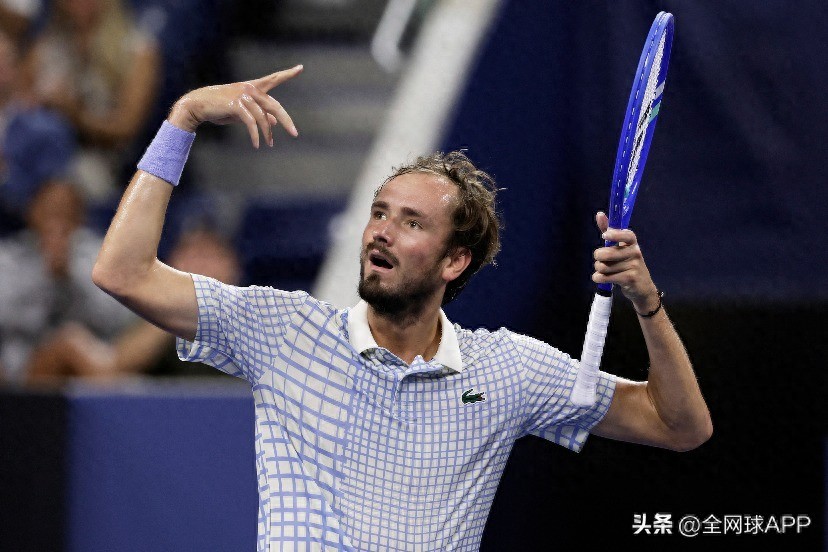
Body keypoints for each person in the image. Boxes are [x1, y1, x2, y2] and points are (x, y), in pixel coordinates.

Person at [92, 66, 712, 551]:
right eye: (379, 213)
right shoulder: (283, 330)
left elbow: (679, 425)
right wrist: (185, 117)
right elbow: (122, 272)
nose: (380, 233)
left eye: (411, 222)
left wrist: (647, 303)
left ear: (454, 261)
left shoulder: (506, 372)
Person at [18, 0, 160, 201]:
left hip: (104, 161)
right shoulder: (49, 42)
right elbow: (19, 99)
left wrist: (76, 115)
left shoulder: (137, 48)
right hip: (42, 149)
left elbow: (125, 128)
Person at [0, 177, 138, 383]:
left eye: (64, 210)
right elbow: (6, 318)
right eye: (49, 210)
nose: (56, 218)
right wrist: (47, 278)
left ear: (79, 216)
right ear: (31, 211)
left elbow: (114, 321)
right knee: (67, 344)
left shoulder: (99, 255)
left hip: (90, 358)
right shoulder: (9, 257)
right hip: (23, 364)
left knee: (74, 342)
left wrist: (68, 278)